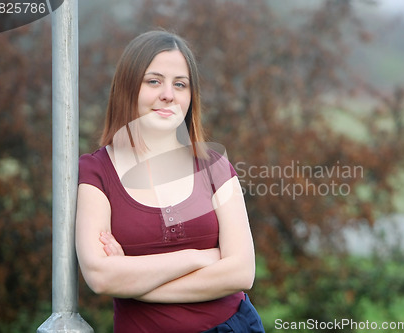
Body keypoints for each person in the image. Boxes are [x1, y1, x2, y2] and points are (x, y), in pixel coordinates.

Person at [75, 30, 265, 333]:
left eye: (180, 84)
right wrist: (199, 257)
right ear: (128, 87)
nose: (168, 94)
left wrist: (133, 281)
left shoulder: (215, 166)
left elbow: (241, 273)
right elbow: (100, 276)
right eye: (154, 81)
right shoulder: (96, 171)